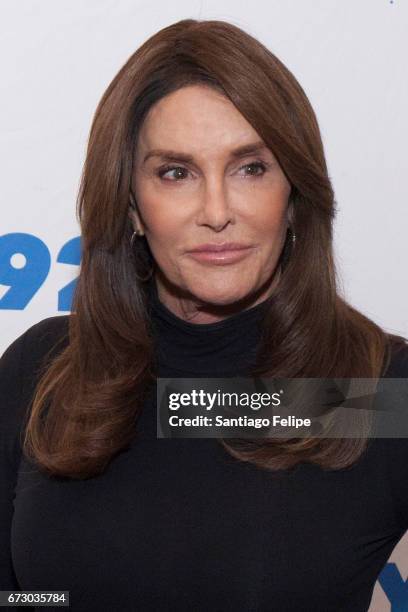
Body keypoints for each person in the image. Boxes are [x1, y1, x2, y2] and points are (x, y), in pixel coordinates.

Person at [1, 18, 407, 612]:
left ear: (294, 195)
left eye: (250, 168)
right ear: (132, 206)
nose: (216, 211)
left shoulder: (373, 393)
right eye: (175, 173)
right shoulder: (46, 368)